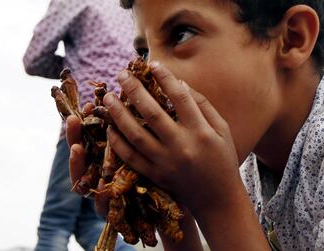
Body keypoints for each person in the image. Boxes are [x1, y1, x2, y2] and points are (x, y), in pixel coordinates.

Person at [66, 0, 324, 250]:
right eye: (144, 53)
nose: (150, 75)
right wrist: (171, 209)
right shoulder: (250, 172)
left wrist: (216, 201)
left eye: (181, 34)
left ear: (293, 38)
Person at [23, 0, 137, 250]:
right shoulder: (129, 8)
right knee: (92, 223)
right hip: (127, 122)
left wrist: (73, 65)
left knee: (55, 222)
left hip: (85, 119)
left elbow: (33, 59)